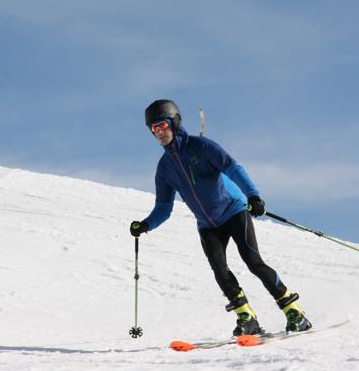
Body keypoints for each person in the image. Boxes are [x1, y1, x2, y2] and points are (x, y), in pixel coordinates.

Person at [130, 99, 312, 336]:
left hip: (234, 211)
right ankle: (247, 318)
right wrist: (145, 225)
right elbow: (164, 207)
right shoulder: (164, 168)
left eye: (162, 125)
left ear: (174, 122)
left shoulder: (201, 147)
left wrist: (253, 196)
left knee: (253, 262)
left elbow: (232, 167)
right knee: (220, 271)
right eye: (153, 129)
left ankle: (294, 312)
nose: (159, 132)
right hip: (208, 225)